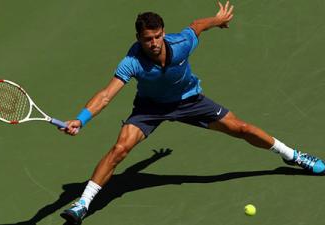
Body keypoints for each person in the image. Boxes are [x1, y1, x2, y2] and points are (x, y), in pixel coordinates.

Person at [59, 1, 325, 224]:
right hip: (150, 108)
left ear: (163, 32)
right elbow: (106, 95)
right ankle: (83, 204)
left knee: (242, 128)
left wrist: (218, 19)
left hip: (190, 101)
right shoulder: (132, 62)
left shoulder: (182, 42)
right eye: (147, 39)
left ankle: (293, 156)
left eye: (157, 36)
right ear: (138, 39)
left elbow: (197, 26)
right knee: (119, 149)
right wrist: (81, 120)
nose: (153, 43)